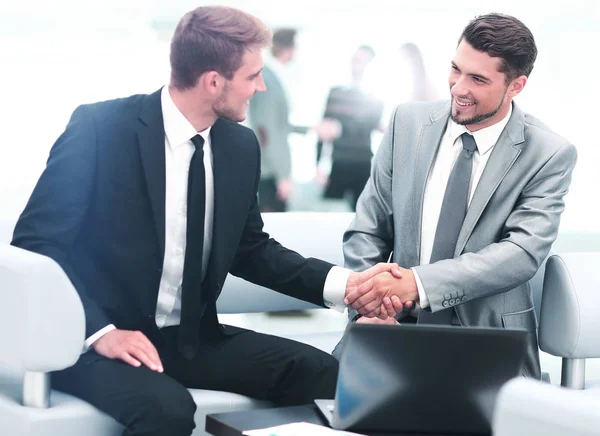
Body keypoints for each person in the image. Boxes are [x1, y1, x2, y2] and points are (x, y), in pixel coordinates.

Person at [11, 6, 396, 436]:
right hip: (98, 341)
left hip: (191, 338)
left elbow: (251, 250)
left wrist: (350, 287)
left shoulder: (239, 145)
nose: (261, 86)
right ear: (214, 81)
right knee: (169, 409)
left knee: (324, 372)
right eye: (253, 76)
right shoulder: (100, 129)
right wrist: (100, 331)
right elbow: (37, 244)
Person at [333, 12, 577, 380]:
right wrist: (369, 305)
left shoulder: (548, 153)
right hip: (389, 325)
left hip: (488, 342)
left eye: (478, 79)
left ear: (516, 85)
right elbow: (367, 229)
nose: (458, 88)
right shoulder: (406, 123)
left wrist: (417, 283)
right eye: (456, 69)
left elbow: (522, 253)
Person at [316, 45, 384, 211]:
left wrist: (340, 128)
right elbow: (323, 131)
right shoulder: (335, 93)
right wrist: (318, 166)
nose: (357, 65)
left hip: (362, 166)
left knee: (361, 216)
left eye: (362, 61)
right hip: (337, 163)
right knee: (330, 217)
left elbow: (367, 125)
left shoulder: (375, 98)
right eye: (355, 60)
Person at [248, 28, 303, 212]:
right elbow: (268, 130)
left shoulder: (272, 76)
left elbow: (279, 125)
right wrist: (283, 175)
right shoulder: (268, 79)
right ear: (289, 48)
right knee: (273, 230)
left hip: (269, 168)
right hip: (271, 171)